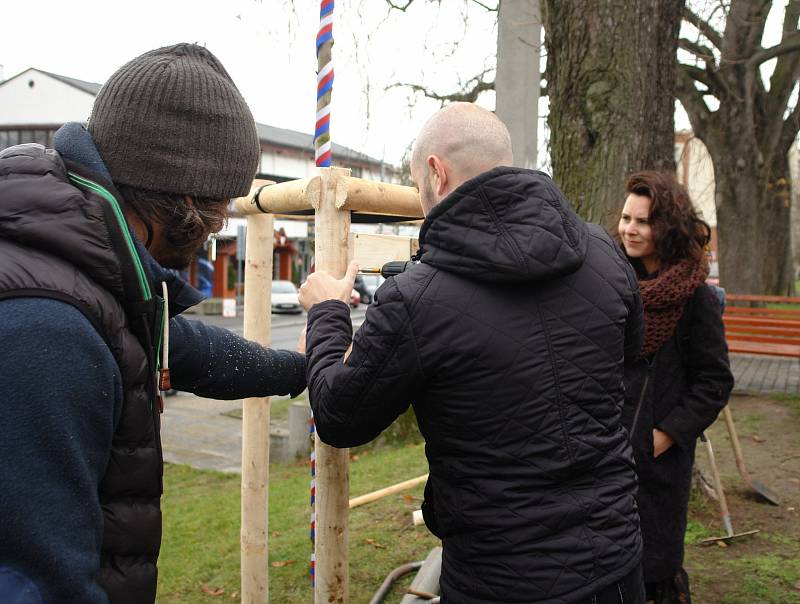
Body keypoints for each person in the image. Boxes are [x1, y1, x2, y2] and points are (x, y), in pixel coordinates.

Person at [298, 103, 646, 603]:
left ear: (437, 174)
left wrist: (328, 311)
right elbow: (627, 349)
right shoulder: (601, 250)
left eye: (418, 184)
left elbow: (338, 414)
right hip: (616, 565)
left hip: (499, 580)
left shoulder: (415, 298)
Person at [0, 44, 305, 603]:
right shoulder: (47, 330)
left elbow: (177, 346)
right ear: (184, 200)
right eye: (219, 210)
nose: (218, 229)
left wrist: (303, 368)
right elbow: (31, 583)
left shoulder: (83, 262)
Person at [617, 171, 734, 603]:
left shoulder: (695, 299)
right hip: (605, 451)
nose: (629, 229)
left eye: (643, 221)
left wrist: (664, 437)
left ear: (666, 226)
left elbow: (714, 381)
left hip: (658, 463)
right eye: (626, 218)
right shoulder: (611, 284)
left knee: (654, 567)